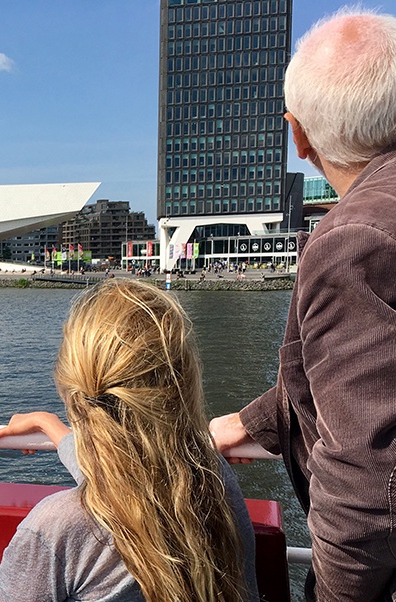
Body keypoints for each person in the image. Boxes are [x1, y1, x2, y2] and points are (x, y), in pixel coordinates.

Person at [209, 8, 396, 601]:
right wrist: (251, 421)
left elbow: (365, 474)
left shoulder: (353, 239)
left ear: (297, 135)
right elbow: (360, 372)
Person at [0, 279, 258, 601]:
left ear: (68, 389)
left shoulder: (57, 528)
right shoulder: (214, 482)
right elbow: (127, 481)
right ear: (185, 383)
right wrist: (54, 430)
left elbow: (112, 498)